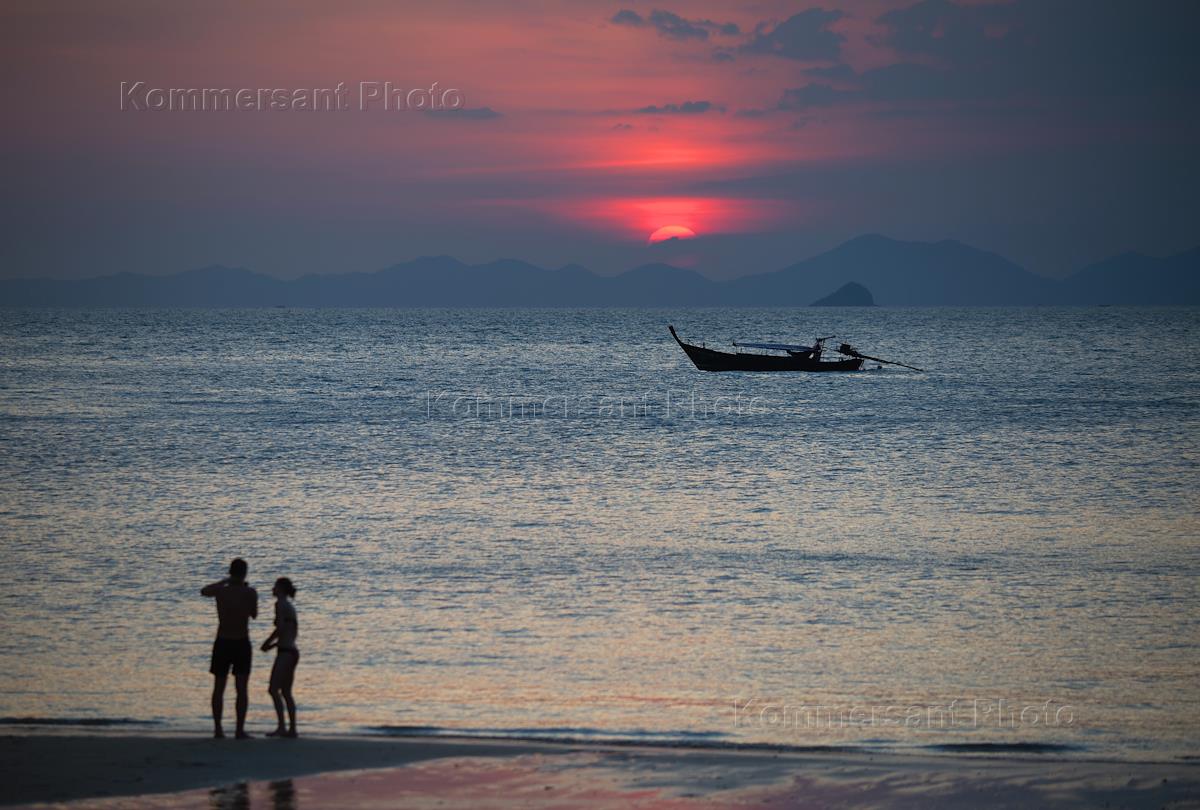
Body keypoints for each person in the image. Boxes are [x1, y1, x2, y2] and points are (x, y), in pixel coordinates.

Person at [201, 558, 258, 739]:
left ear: (230, 572)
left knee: (219, 687)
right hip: (241, 642)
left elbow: (204, 591)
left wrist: (224, 582)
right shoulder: (249, 592)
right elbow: (254, 614)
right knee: (241, 688)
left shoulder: (221, 592)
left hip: (223, 641)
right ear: (245, 573)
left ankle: (218, 729)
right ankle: (239, 730)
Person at [261, 577, 299, 738]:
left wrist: (267, 643)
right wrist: (274, 646)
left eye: (275, 586)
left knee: (273, 689)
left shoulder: (280, 604)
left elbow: (281, 629)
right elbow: (290, 630)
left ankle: (283, 727)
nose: (272, 588)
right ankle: (291, 729)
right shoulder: (288, 605)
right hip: (291, 651)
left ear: (281, 589)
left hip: (285, 652)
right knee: (285, 692)